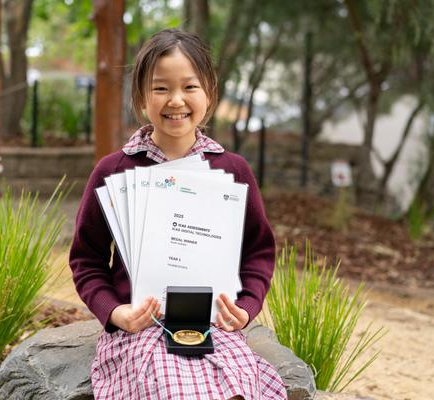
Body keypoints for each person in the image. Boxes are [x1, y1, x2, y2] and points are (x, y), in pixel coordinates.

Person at [69, 29, 287, 400]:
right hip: (139, 330)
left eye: (189, 87)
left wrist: (246, 307)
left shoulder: (232, 170)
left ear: (210, 93)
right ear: (141, 97)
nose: (176, 100)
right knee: (167, 387)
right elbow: (87, 260)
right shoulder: (114, 171)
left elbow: (258, 253)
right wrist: (116, 312)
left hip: (216, 328)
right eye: (160, 88)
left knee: (239, 388)